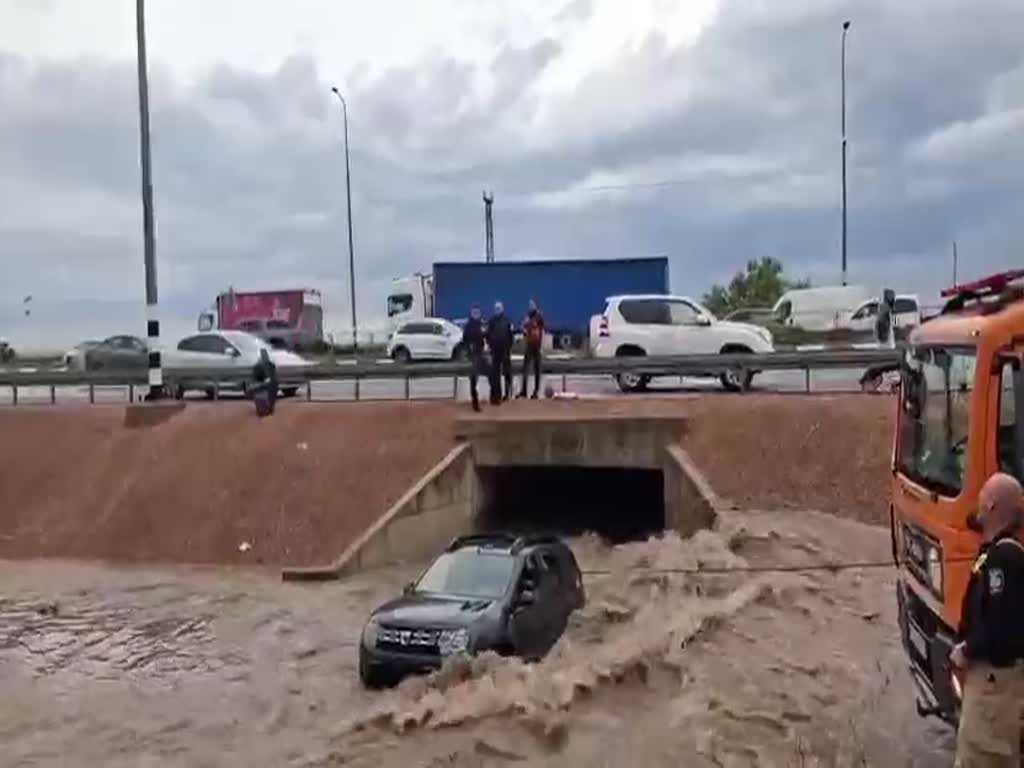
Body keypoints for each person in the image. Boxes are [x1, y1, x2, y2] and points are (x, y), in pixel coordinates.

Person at [951, 472, 1024, 767]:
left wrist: (965, 651)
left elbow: (1001, 631)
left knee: (978, 758)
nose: (977, 500)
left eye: (982, 494)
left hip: (993, 690)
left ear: (992, 504)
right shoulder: (997, 552)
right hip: (995, 688)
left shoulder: (1004, 559)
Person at [486, 301, 514, 404]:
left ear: (502, 309)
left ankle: (507, 394)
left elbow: (511, 336)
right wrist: (490, 346)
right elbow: (488, 335)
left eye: (499, 308)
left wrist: (509, 348)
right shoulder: (491, 321)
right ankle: (497, 395)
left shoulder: (507, 321)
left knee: (507, 373)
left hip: (505, 351)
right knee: (495, 374)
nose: (497, 310)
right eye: (496, 308)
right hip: (495, 352)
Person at [461, 305, 486, 412]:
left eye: (477, 313)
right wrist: (468, 349)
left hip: (480, 354)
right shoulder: (468, 326)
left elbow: (485, 336)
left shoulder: (482, 324)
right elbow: (464, 340)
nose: (476, 314)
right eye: (474, 312)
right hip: (473, 355)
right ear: (471, 313)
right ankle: (475, 403)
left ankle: (495, 396)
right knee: (473, 379)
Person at [519, 298, 545, 399]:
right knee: (525, 368)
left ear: (536, 305)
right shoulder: (527, 316)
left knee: (537, 369)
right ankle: (524, 391)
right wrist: (524, 330)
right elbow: (522, 326)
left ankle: (536, 392)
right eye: (529, 304)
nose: (530, 306)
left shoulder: (539, 316)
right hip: (529, 344)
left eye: (532, 304)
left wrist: (541, 345)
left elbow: (543, 330)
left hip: (537, 346)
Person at [252, 348, 279, 417]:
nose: (264, 356)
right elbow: (255, 378)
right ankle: (262, 407)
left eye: (265, 355)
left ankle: (269, 407)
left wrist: (269, 380)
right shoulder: (257, 366)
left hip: (270, 384)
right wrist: (261, 383)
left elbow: (274, 376)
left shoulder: (271, 365)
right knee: (258, 390)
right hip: (261, 384)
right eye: (263, 355)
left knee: (273, 386)